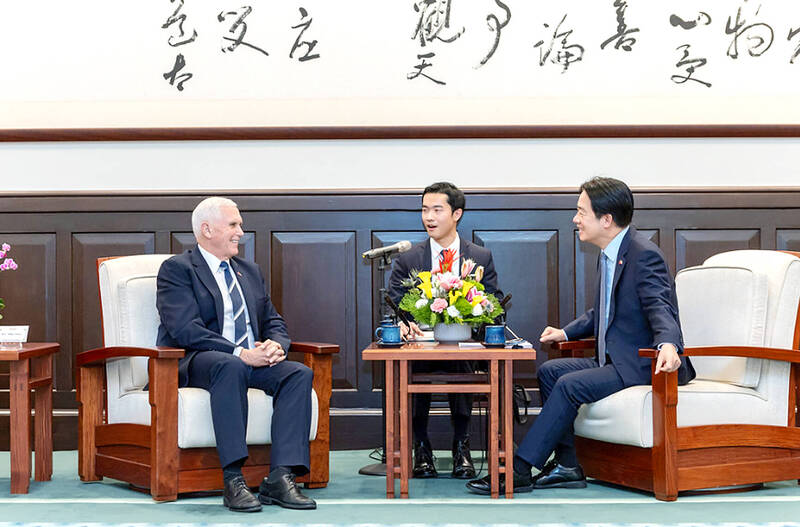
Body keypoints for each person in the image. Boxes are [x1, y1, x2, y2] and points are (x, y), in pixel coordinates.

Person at [466, 176, 696, 495]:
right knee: (551, 371)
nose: (575, 220)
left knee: (569, 384)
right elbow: (601, 313)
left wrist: (668, 343)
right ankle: (568, 465)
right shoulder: (610, 253)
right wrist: (564, 331)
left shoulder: (644, 255)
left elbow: (661, 307)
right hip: (614, 360)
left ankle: (519, 469)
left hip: (642, 364)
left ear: (606, 219)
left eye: (580, 212)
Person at [156, 197, 316, 512]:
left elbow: (273, 321)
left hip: (248, 360)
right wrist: (240, 352)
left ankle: (280, 478)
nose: (240, 232)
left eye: (239, 224)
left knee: (298, 373)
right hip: (200, 358)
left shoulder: (249, 271)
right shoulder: (178, 269)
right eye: (233, 225)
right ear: (206, 229)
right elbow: (185, 329)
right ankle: (233, 479)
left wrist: (276, 345)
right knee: (230, 366)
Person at [387, 182, 502, 480]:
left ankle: (461, 447)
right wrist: (403, 324)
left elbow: (494, 301)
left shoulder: (480, 257)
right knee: (410, 363)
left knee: (460, 362)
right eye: (425, 210)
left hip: (462, 343)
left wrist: (476, 315)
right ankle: (421, 448)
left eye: (437, 210)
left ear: (457, 214)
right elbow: (394, 304)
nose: (429, 217)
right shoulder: (409, 259)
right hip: (419, 343)